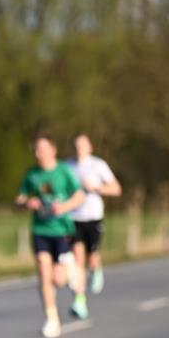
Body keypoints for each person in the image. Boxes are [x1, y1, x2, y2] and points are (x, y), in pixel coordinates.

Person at [16, 135, 86, 338]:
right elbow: (20, 198)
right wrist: (27, 203)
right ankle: (51, 318)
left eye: (43, 149)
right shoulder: (32, 174)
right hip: (40, 230)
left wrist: (63, 207)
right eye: (36, 150)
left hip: (62, 229)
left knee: (58, 279)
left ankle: (71, 269)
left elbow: (79, 195)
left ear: (53, 150)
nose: (39, 154)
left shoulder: (63, 171)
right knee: (43, 273)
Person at [67, 134, 122, 313]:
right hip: (74, 218)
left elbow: (116, 189)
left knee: (92, 257)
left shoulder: (98, 165)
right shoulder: (67, 166)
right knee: (77, 260)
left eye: (82, 145)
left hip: (93, 217)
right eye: (76, 145)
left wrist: (96, 188)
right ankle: (79, 301)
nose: (79, 149)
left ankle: (96, 269)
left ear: (90, 147)